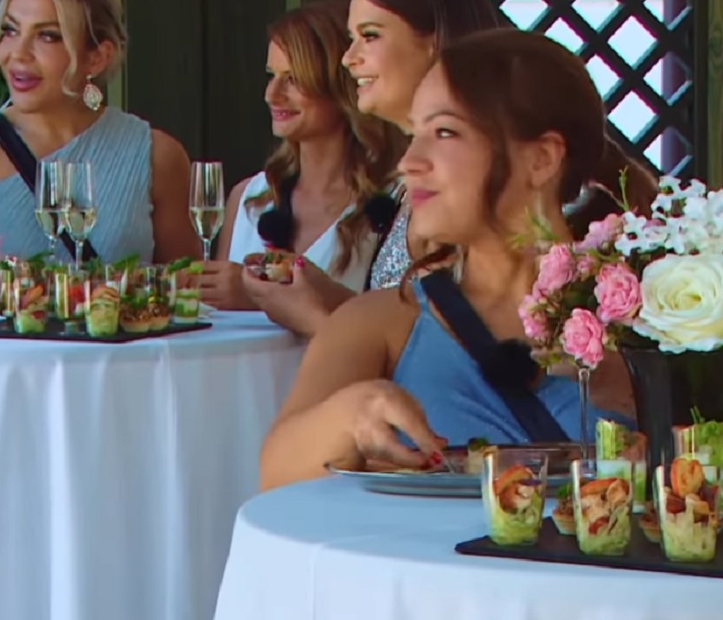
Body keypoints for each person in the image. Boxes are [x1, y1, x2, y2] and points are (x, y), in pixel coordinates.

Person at [260, 29, 635, 491]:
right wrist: (351, 414)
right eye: (413, 134)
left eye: (444, 132)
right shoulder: (382, 322)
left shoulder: (651, 321)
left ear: (541, 159)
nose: (409, 162)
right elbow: (274, 475)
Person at [343, 0, 656, 289]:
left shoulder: (500, 191)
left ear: (433, 42)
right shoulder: (406, 183)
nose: (349, 58)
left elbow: (477, 317)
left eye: (370, 35)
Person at [0, 0, 202, 264]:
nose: (18, 53)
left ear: (97, 57)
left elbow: (185, 283)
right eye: (10, 30)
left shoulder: (157, 156)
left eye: (47, 36)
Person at [198, 0, 405, 335]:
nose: (271, 94)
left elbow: (400, 332)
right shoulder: (249, 197)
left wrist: (259, 296)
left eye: (293, 78)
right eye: (272, 76)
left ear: (340, 86)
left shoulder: (394, 202)